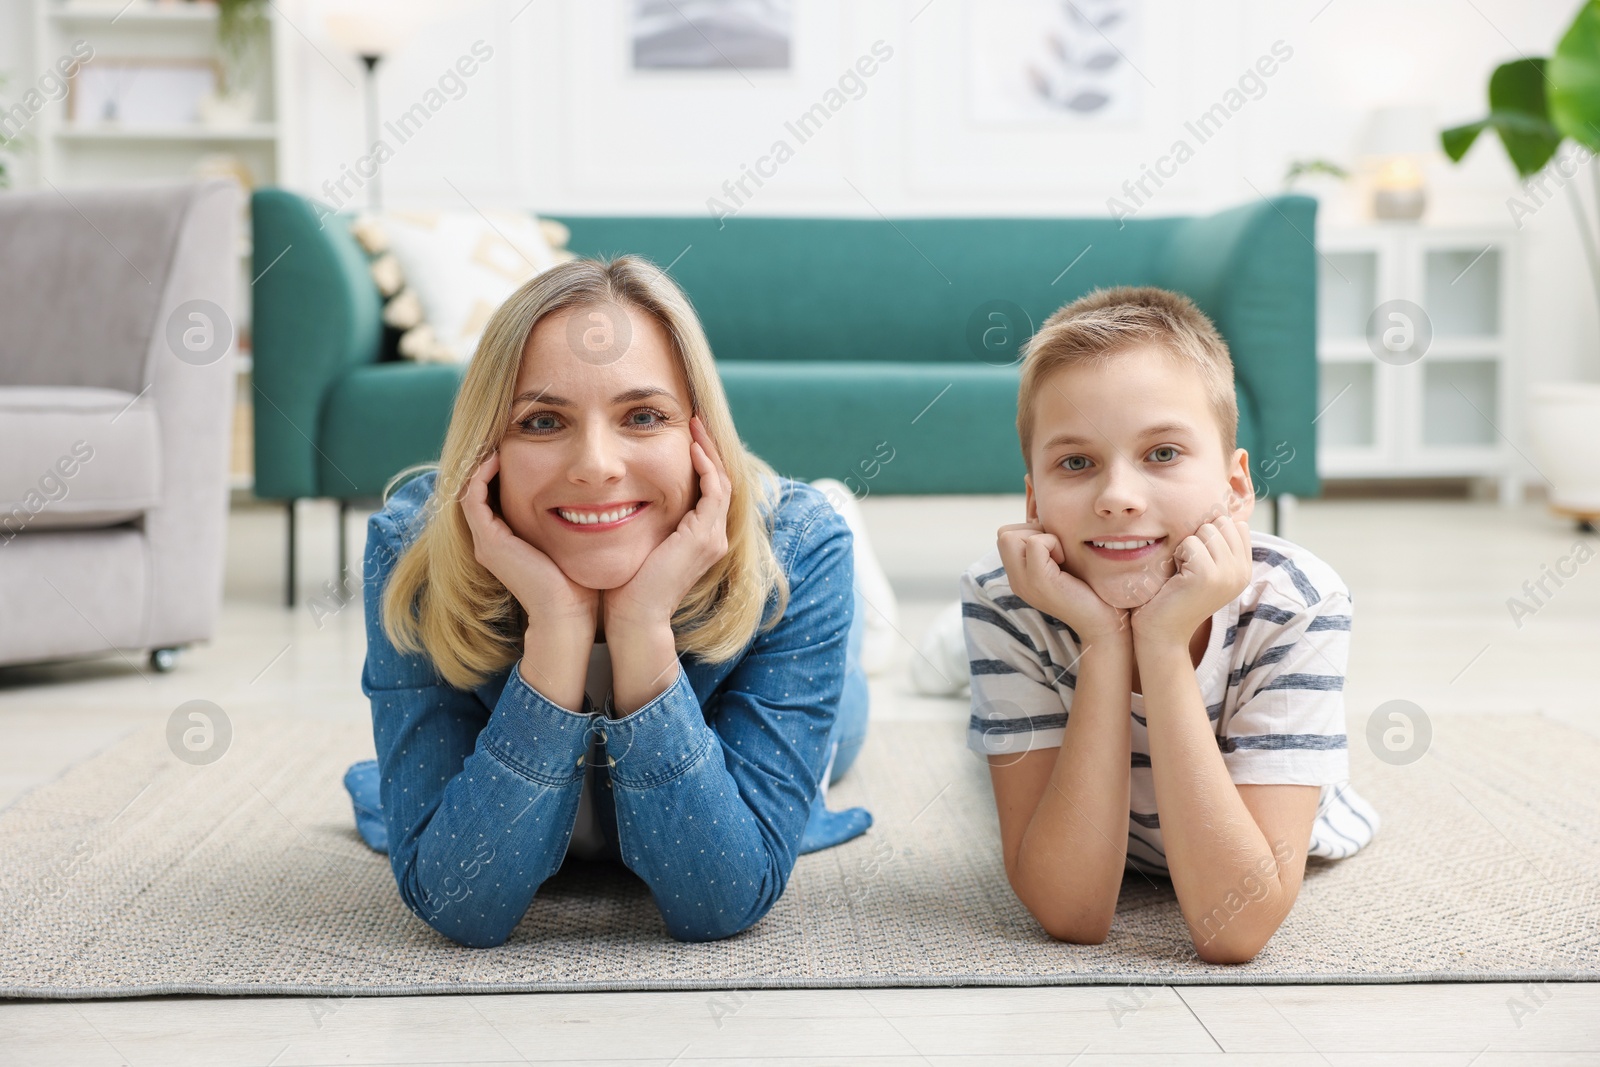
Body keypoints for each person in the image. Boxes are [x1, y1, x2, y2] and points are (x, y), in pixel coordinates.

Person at [340, 256, 874, 948]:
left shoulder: (799, 556)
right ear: (485, 446)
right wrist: (558, 631)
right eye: (541, 422)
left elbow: (720, 899)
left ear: (698, 434)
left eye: (643, 415)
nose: (595, 464)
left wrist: (642, 626)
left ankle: (850, 552)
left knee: (849, 717)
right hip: (584, 552)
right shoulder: (413, 552)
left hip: (759, 584)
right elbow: (458, 901)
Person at [959, 286, 1378, 964]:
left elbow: (1234, 927)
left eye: (1162, 454)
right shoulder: (1004, 596)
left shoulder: (1301, 601)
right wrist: (1099, 640)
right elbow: (1072, 909)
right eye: (1075, 462)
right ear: (1033, 499)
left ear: (1237, 487)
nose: (1118, 497)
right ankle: (951, 663)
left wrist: (1157, 640)